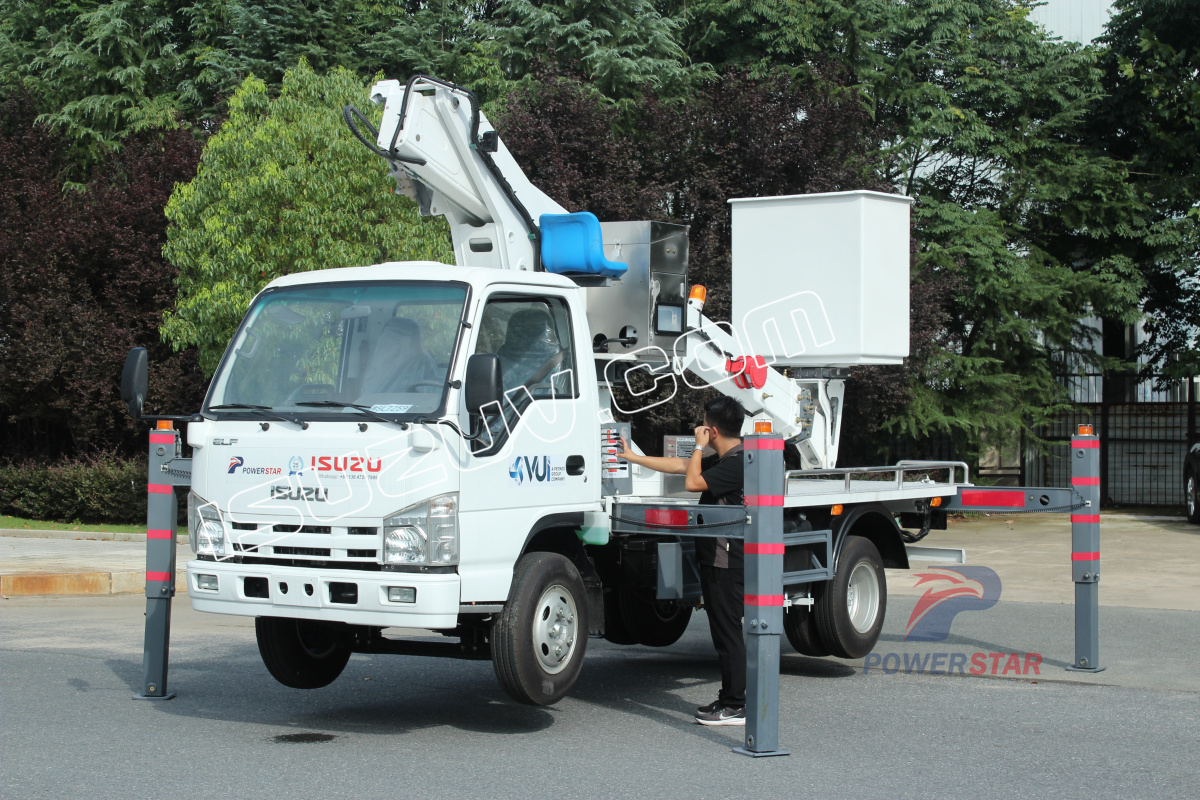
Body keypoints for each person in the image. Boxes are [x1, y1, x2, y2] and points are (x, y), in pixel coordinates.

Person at [618, 396, 747, 727]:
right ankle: (730, 698)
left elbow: (691, 482)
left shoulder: (738, 462)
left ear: (713, 430)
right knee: (724, 632)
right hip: (717, 558)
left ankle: (735, 704)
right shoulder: (730, 457)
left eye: (703, 424)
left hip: (725, 560)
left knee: (727, 633)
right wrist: (633, 457)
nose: (699, 429)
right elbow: (681, 467)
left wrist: (698, 447)